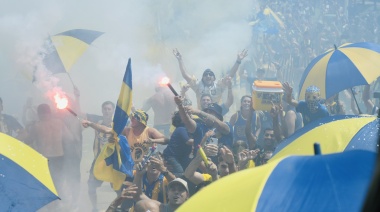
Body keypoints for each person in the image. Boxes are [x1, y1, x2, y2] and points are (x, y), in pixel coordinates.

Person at [25, 104, 73, 210]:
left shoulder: (36, 126)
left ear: (38, 114)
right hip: (59, 156)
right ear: (50, 112)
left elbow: (28, 140)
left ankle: (51, 206)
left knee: (46, 183)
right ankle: (58, 204)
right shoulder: (59, 123)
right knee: (58, 181)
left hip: (44, 158)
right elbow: (70, 138)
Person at [173, 48, 248, 108]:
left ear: (214, 78)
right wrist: (180, 60)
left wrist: (238, 61)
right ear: (202, 78)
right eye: (205, 75)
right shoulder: (198, 85)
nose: (208, 76)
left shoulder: (219, 85)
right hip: (201, 113)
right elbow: (185, 75)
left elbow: (230, 75)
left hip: (215, 113)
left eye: (210, 74)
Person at [82, 101, 117, 212]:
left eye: (109, 109)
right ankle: (95, 208)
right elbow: (82, 115)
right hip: (98, 160)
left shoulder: (117, 124)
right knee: (91, 185)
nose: (106, 111)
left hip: (113, 160)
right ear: (101, 110)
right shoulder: (97, 121)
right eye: (105, 109)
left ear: (113, 111)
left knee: (118, 187)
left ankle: (119, 206)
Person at [118, 178, 190, 212]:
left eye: (180, 190)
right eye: (173, 190)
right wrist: (139, 174)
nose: (176, 192)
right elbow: (140, 204)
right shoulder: (159, 208)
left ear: (187, 195)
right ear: (168, 194)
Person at [162, 111, 193, 177]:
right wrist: (202, 139)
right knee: (179, 173)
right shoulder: (181, 129)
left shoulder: (184, 129)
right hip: (172, 157)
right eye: (187, 116)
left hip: (179, 157)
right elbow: (189, 142)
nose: (190, 118)